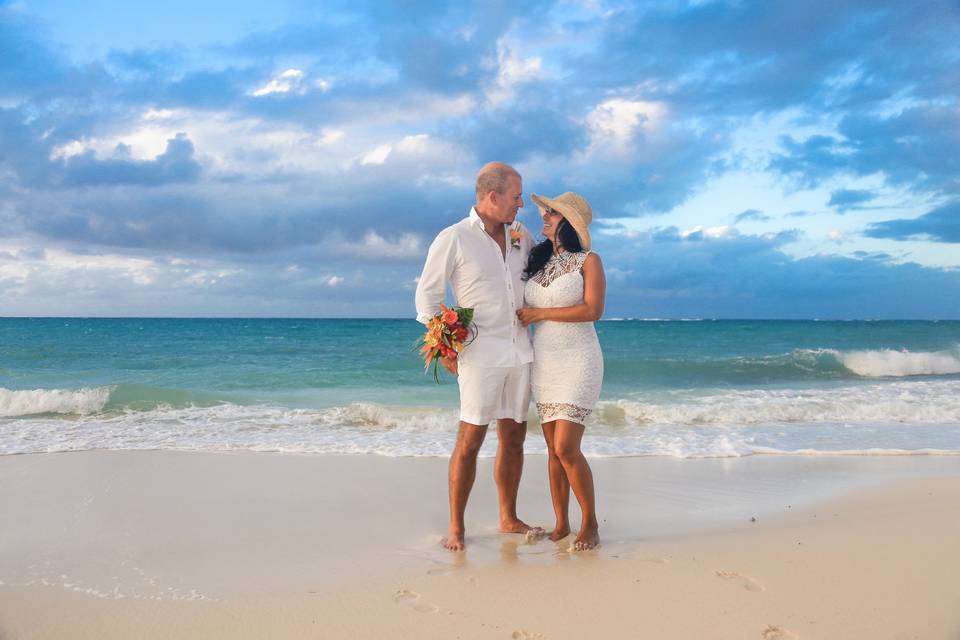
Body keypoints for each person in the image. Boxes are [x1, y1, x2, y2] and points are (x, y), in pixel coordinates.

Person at [415, 162, 542, 551]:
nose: (521, 204)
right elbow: (427, 297)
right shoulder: (453, 237)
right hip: (480, 354)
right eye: (516, 196)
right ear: (493, 196)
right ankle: (456, 526)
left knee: (514, 437)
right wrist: (446, 345)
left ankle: (507, 516)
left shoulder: (522, 237)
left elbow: (535, 284)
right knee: (470, 438)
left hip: (520, 351)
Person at [517, 191, 605, 551]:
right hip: (545, 362)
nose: (545, 216)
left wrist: (540, 315)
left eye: (552, 213)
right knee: (553, 450)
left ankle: (591, 525)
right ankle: (561, 524)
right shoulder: (537, 262)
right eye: (546, 212)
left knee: (567, 447)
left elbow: (592, 310)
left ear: (569, 222)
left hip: (579, 359)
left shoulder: (589, 260)